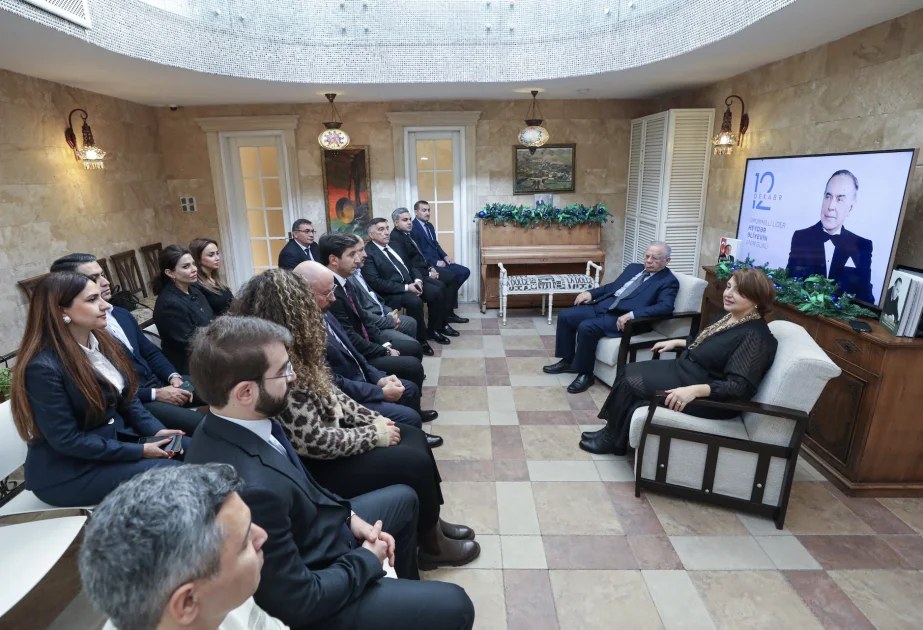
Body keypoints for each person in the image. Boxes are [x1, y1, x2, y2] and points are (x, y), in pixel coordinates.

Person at [184, 317, 476, 630]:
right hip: (320, 582)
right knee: (456, 606)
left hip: (320, 529)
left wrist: (351, 517)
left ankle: (402, 594)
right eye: (283, 371)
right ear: (244, 392)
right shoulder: (249, 490)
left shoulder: (242, 421)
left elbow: (305, 483)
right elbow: (299, 601)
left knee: (404, 499)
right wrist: (366, 559)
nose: (293, 377)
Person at [232, 271, 479, 569]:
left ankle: (432, 526)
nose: (315, 308)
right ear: (289, 310)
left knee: (410, 436)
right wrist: (372, 435)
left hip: (334, 441)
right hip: (318, 467)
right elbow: (313, 442)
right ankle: (431, 547)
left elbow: (334, 395)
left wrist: (374, 420)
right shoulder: (273, 364)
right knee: (411, 461)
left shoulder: (295, 347)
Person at [9, 272, 187, 507]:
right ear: (62, 310)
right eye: (92, 300)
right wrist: (140, 451)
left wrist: (156, 431)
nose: (105, 304)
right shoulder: (43, 368)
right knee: (176, 474)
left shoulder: (102, 342)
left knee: (192, 447)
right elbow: (67, 440)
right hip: (70, 472)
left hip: (111, 446)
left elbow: (128, 399)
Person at [233, 267, 443, 447]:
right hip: (334, 412)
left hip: (346, 394)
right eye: (326, 293)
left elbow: (352, 351)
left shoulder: (322, 314)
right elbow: (325, 404)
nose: (333, 297)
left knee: (409, 389)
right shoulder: (289, 342)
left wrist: (379, 378)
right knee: (409, 428)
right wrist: (378, 395)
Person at [582, 267, 778, 455]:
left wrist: (694, 391)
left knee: (631, 381)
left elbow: (739, 386)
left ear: (756, 299)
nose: (728, 293)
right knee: (628, 370)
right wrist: (679, 341)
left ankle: (612, 441)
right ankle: (613, 433)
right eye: (728, 287)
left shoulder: (755, 336)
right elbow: (709, 343)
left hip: (706, 396)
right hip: (686, 371)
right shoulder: (731, 316)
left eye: (738, 291)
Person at [79, 464, 287, 630]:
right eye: (244, 544)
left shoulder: (219, 599)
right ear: (187, 602)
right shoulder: (220, 596)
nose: (262, 536)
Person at [50, 253, 205, 434]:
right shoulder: (84, 334)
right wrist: (156, 394)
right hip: (139, 400)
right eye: (94, 278)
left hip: (160, 383)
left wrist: (173, 377)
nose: (106, 282)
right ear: (70, 287)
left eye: (102, 274)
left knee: (223, 387)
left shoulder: (121, 314)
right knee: (203, 426)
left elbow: (150, 353)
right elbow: (111, 391)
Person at [544, 242, 680, 394]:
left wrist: (632, 315)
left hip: (623, 318)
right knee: (565, 316)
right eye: (647, 256)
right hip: (604, 306)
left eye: (655, 258)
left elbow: (665, 307)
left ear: (667, 261)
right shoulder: (634, 268)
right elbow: (613, 287)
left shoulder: (669, 281)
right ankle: (568, 361)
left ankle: (585, 374)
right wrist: (591, 293)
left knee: (587, 327)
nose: (648, 261)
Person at [319, 232, 426, 390]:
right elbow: (349, 338)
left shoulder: (346, 280)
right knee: (412, 365)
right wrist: (384, 351)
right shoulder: (330, 290)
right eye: (352, 254)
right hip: (357, 354)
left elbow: (363, 318)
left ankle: (403, 387)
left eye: (358, 252)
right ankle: (405, 394)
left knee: (415, 348)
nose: (359, 258)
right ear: (333, 259)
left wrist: (384, 344)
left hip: (368, 341)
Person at [786, 169, 874, 304]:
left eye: (840, 199)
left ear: (851, 207)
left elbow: (865, 299)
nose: (831, 206)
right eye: (828, 196)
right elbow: (790, 285)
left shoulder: (862, 246)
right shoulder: (801, 238)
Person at [363, 217, 452, 346]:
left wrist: (418, 280)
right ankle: (420, 340)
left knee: (437, 291)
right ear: (371, 235)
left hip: (411, 283)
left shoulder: (394, 244)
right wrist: (406, 287)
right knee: (414, 301)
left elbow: (412, 265)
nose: (387, 232)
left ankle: (433, 330)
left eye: (387, 228)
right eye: (381, 230)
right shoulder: (368, 253)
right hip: (392, 292)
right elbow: (376, 283)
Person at [390, 208, 461, 339]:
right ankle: (435, 329)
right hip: (412, 277)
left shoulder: (409, 234)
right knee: (438, 288)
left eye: (410, 219)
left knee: (445, 282)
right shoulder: (395, 239)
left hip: (423, 270)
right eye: (405, 220)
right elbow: (408, 265)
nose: (409, 223)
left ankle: (441, 323)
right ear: (396, 223)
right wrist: (428, 274)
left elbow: (420, 256)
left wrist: (431, 267)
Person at [349, 244, 425, 353]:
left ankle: (411, 351)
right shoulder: (348, 278)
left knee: (411, 322)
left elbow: (375, 298)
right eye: (360, 250)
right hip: (376, 319)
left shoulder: (358, 272)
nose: (365, 254)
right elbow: (363, 314)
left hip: (383, 309)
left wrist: (389, 314)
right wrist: (389, 321)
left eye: (386, 228)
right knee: (414, 346)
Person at [153, 245, 215, 374]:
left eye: (193, 264)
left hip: (209, 352)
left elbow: (211, 320)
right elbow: (190, 345)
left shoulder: (194, 289)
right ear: (170, 273)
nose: (194, 269)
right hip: (191, 367)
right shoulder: (169, 304)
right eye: (186, 267)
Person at [410, 200, 471, 324]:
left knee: (465, 271)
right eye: (424, 210)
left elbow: (435, 245)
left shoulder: (429, 226)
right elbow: (418, 253)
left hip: (440, 260)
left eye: (428, 210)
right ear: (416, 212)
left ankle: (446, 305)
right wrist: (435, 263)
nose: (427, 213)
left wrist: (445, 256)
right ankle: (448, 313)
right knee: (453, 278)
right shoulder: (412, 228)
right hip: (430, 265)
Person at [190, 237, 235, 316]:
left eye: (217, 253)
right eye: (211, 255)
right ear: (198, 259)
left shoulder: (217, 280)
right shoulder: (195, 285)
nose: (217, 258)